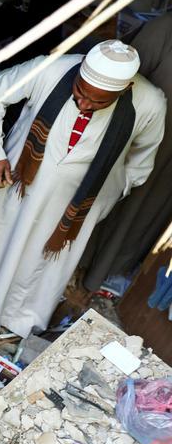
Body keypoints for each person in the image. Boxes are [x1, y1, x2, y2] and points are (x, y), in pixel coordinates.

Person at [0, 40, 167, 337]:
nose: (84, 104)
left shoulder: (150, 102)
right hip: (18, 185)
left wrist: (109, 192)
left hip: (74, 209)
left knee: (41, 266)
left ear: (123, 89)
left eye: (97, 102)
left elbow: (142, 161)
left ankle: (13, 327)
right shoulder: (53, 69)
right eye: (80, 92)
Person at [79, 15, 172, 291]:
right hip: (137, 143)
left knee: (143, 218)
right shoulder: (166, 28)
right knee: (112, 204)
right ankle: (82, 268)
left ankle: (105, 276)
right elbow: (124, 80)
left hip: (166, 167)